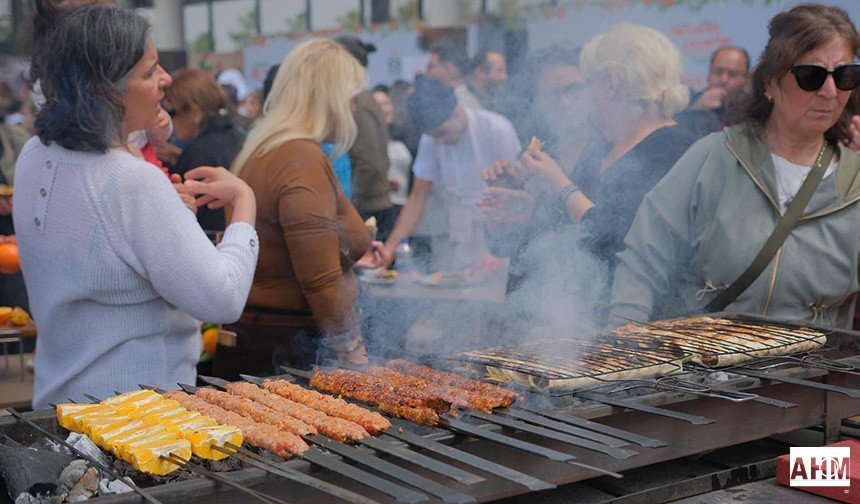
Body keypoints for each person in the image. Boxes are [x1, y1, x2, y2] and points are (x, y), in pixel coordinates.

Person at [14, 6, 259, 408]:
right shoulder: (132, 182)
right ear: (108, 89)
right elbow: (223, 298)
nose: (165, 81)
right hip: (137, 418)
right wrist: (244, 201)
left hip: (60, 404)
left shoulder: (34, 155)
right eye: (149, 73)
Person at [609, 4, 860, 328]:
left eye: (845, 76)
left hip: (807, 374)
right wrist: (624, 346)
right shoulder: (715, 155)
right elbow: (643, 261)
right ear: (769, 83)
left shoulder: (854, 183)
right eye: (811, 76)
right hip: (701, 371)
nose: (830, 92)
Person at [485, 24, 696, 290]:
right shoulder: (546, 152)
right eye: (551, 94)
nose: (563, 103)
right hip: (551, 303)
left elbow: (618, 242)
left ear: (613, 84)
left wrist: (560, 185)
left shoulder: (659, 148)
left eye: (576, 88)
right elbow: (531, 245)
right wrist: (506, 215)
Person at [227, 39, 384, 376]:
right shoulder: (299, 156)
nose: (355, 109)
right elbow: (320, 278)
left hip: (263, 338)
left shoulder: (263, 146)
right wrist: (353, 352)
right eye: (352, 99)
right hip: (290, 350)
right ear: (332, 100)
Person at [380, 78, 521, 271]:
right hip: (458, 234)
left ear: (456, 112)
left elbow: (518, 193)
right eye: (433, 136)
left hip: (498, 235)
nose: (438, 142)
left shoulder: (496, 129)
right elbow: (418, 196)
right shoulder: (430, 140)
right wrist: (389, 249)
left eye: (442, 133)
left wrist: (498, 253)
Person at [163, 69, 246, 234]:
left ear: (195, 113)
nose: (168, 119)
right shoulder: (238, 136)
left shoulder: (199, 155)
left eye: (171, 112)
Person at [335, 36, 397, 243]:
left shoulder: (358, 103)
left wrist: (349, 206)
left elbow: (369, 162)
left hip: (370, 209)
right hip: (372, 205)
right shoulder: (363, 98)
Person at [675, 46, 751, 137]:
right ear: (709, 75)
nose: (724, 80)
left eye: (732, 74)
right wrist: (697, 110)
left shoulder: (752, 109)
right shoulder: (690, 102)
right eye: (718, 72)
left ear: (746, 79)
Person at [372, 87, 413, 212]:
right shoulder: (363, 141)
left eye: (387, 104)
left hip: (405, 206)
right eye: (379, 105)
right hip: (379, 207)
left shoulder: (404, 135)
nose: (385, 109)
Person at [426, 41, 483, 111]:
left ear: (450, 69)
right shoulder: (442, 100)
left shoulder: (465, 105)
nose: (427, 73)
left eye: (431, 67)